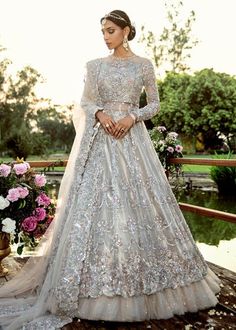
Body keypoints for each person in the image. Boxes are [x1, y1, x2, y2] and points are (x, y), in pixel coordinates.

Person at [0, 9, 221, 329]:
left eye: (110, 31)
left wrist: (133, 117)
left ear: (127, 30)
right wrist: (101, 113)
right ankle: (84, 287)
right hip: (101, 142)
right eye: (102, 31)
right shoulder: (94, 66)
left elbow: (155, 104)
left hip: (133, 141)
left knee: (140, 206)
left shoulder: (144, 65)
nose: (105, 36)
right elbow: (86, 103)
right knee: (95, 207)